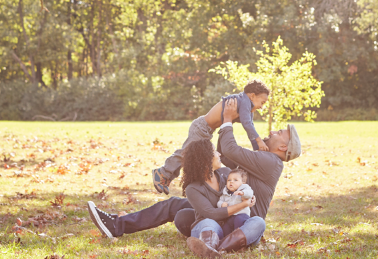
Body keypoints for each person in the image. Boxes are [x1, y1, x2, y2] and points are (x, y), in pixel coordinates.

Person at [87, 97, 301, 242]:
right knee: (174, 206)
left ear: (283, 147)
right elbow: (223, 154)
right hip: (223, 205)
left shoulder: (272, 163)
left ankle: (214, 237)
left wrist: (227, 119)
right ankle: (117, 225)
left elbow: (228, 149)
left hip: (240, 218)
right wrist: (221, 122)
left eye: (279, 132)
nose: (273, 131)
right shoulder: (261, 158)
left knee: (185, 213)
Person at [151, 80, 270, 195]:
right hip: (201, 127)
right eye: (262, 102)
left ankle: (166, 177)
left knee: (190, 157)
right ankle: (161, 172)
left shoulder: (248, 107)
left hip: (207, 131)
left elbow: (251, 126)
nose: (262, 107)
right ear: (252, 96)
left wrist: (257, 147)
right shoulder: (244, 101)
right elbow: (247, 124)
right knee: (186, 154)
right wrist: (259, 142)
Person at [182, 139, 263, 257]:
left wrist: (249, 197)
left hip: (235, 226)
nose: (219, 154)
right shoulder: (193, 188)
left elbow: (243, 188)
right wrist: (243, 204)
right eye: (215, 151)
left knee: (258, 222)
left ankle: (216, 249)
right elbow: (212, 213)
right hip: (211, 227)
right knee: (208, 222)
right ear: (205, 159)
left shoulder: (226, 173)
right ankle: (211, 245)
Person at [216, 167, 252, 237]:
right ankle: (226, 240)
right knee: (226, 228)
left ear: (243, 182)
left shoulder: (244, 188)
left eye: (235, 180)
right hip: (230, 216)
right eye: (229, 180)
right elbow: (220, 201)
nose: (231, 182)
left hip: (241, 215)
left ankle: (238, 239)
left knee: (238, 225)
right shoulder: (225, 192)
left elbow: (250, 193)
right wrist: (221, 204)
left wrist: (242, 193)